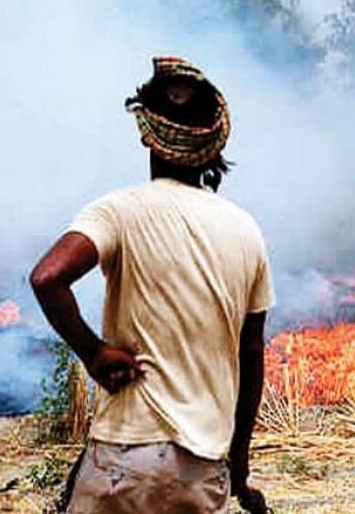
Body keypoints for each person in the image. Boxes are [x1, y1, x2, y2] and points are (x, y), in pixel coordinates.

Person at [30, 57, 274, 513]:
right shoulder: (246, 231)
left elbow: (47, 277)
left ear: (147, 132)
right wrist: (238, 465)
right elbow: (253, 351)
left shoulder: (117, 211)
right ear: (213, 142)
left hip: (121, 462)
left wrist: (93, 353)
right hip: (201, 468)